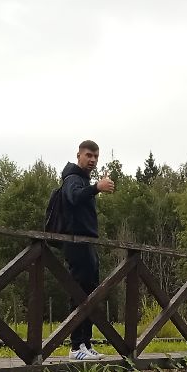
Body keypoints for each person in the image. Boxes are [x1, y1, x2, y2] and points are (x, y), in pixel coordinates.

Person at [58, 139, 115, 359]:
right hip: (76, 243)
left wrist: (93, 188)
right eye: (88, 155)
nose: (92, 160)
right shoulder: (72, 178)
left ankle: (85, 343)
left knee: (90, 294)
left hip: (87, 242)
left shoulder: (82, 179)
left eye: (95, 156)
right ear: (78, 155)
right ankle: (75, 347)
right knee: (79, 294)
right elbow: (73, 197)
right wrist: (96, 188)